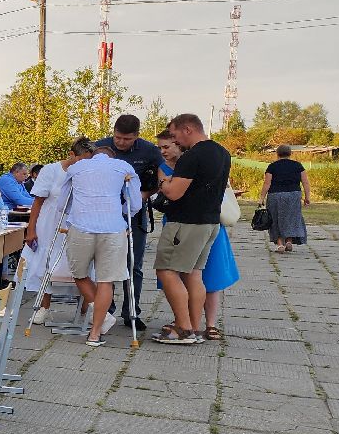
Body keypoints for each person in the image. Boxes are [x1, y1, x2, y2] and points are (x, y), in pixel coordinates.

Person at [152, 114, 232, 344]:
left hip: (185, 223)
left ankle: (184, 328)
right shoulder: (222, 153)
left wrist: (162, 182)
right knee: (194, 274)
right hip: (210, 222)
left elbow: (174, 193)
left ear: (187, 129)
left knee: (166, 270)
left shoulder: (192, 156)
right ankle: (194, 328)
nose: (176, 141)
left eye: (175, 135)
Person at [51, 148, 143, 346]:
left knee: (79, 273)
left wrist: (74, 214)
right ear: (112, 157)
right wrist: (125, 217)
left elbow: (62, 203)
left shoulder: (77, 167)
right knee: (106, 281)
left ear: (92, 156)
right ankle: (95, 333)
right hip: (113, 229)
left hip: (81, 226)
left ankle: (100, 314)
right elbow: (134, 203)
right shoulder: (123, 167)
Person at [95, 114, 163, 331]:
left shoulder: (149, 150)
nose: (121, 143)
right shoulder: (100, 148)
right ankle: (107, 310)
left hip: (134, 213)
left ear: (136, 136)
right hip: (105, 213)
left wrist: (145, 194)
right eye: (118, 137)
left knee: (134, 264)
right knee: (105, 264)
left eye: (127, 139)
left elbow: (161, 178)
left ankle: (132, 311)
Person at [25, 138, 93, 324]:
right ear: (72, 155)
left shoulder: (88, 173)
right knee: (46, 264)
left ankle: (86, 309)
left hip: (76, 223)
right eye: (81, 160)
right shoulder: (51, 170)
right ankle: (43, 307)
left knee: (80, 265)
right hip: (49, 223)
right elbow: (37, 202)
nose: (84, 165)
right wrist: (31, 229)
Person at [260, 144, 310, 252]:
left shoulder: (272, 166)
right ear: (290, 153)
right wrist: (307, 197)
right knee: (291, 218)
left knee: (275, 218)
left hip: (275, 195)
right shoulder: (298, 166)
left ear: (277, 154)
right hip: (293, 195)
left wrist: (261, 198)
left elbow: (267, 183)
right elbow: (305, 182)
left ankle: (279, 245)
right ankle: (288, 241)